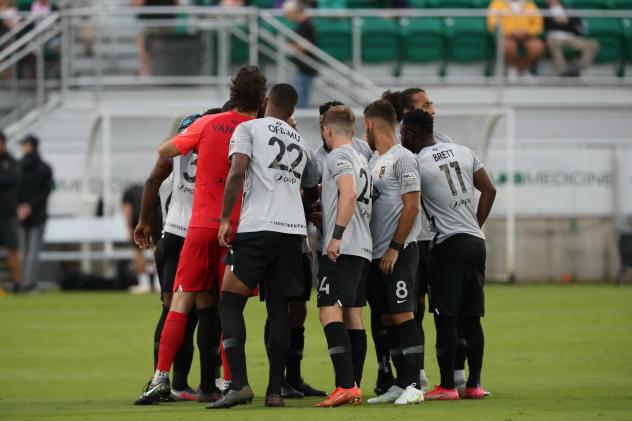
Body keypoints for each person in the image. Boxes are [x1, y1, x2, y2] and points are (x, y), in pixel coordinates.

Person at [134, 66, 267, 405]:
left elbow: (165, 152)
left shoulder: (208, 124)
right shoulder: (261, 131)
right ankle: (227, 382)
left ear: (233, 93)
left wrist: (190, 141)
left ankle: (161, 378)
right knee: (229, 308)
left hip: (199, 226)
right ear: (262, 99)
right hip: (239, 230)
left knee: (181, 301)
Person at [208, 83, 319, 409]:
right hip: (292, 232)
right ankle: (274, 392)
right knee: (280, 311)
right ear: (292, 111)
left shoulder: (248, 128)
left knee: (228, 301)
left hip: (257, 228)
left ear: (267, 101)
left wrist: (227, 218)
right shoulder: (302, 142)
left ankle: (239, 384)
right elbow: (311, 189)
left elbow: (237, 171)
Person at [400, 109, 496, 400]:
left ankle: (446, 387)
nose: (401, 138)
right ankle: (475, 384)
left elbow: (409, 205)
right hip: (476, 242)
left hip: (447, 246)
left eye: (403, 134)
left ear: (411, 134)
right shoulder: (464, 151)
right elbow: (489, 190)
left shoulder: (416, 163)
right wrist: (473, 225)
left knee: (446, 317)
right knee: (473, 317)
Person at [133, 110, 223, 403]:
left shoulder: (176, 150)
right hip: (201, 232)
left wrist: (144, 221)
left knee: (172, 308)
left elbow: (151, 182)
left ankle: (167, 380)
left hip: (172, 235)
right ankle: (208, 383)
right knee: (207, 309)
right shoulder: (216, 147)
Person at [309, 100, 376, 393]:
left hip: (343, 247)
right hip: (363, 247)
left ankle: (346, 385)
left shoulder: (337, 155)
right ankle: (353, 386)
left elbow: (348, 194)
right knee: (353, 313)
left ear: (327, 130)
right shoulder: (362, 159)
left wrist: (335, 235)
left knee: (328, 310)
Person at [362, 101, 424, 406]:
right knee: (386, 318)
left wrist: (394, 248)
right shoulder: (374, 160)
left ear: (371, 125)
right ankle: (400, 383)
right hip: (375, 254)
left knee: (402, 314)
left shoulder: (404, 159)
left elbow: (412, 206)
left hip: (398, 252)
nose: (364, 132)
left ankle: (414, 384)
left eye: (365, 126)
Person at [17, 134, 53, 291]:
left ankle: (23, 282)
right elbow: (46, 191)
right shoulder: (45, 167)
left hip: (22, 214)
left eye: (24, 144)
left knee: (24, 251)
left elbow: (15, 190)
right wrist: (29, 206)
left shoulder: (18, 166)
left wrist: (21, 206)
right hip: (37, 214)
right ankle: (28, 282)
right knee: (32, 251)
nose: (22, 148)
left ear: (30, 146)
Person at [487, 0, 545, 82]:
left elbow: (538, 24)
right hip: (507, 36)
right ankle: (521, 70)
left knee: (538, 47)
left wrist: (527, 31)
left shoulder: (529, 4)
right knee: (506, 46)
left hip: (528, 36)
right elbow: (492, 23)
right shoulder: (497, 3)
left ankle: (519, 69)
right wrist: (510, 32)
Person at [544, 0, 599, 77]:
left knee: (593, 44)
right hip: (554, 37)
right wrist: (564, 23)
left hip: (571, 37)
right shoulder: (543, 10)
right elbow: (546, 25)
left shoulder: (568, 9)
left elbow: (577, 25)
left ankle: (577, 69)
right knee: (552, 42)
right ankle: (563, 71)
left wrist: (565, 22)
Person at [283, 0, 318, 109]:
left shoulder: (306, 25)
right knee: (301, 97)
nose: (287, 17)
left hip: (306, 67)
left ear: (294, 12)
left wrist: (289, 48)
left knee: (300, 98)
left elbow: (304, 45)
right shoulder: (304, 25)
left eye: (288, 13)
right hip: (303, 67)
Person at [122, 183, 155, 294]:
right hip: (153, 216)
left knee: (138, 251)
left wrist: (129, 227)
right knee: (157, 249)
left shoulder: (128, 192)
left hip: (138, 219)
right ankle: (159, 283)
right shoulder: (151, 186)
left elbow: (127, 209)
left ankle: (144, 283)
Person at [0, 130, 22, 292]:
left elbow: (13, 180)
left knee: (13, 249)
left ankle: (17, 283)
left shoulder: (12, 162)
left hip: (8, 213)